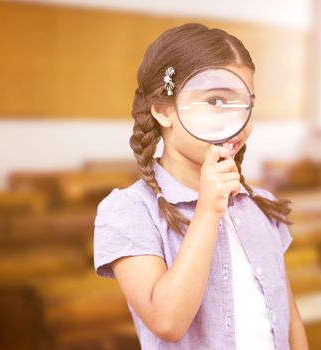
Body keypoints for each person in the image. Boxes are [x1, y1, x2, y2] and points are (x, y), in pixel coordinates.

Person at [92, 23, 309, 349]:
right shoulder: (128, 211)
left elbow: (290, 318)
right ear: (164, 110)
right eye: (217, 102)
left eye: (246, 103)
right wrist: (207, 211)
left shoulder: (260, 205)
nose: (239, 120)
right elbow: (167, 321)